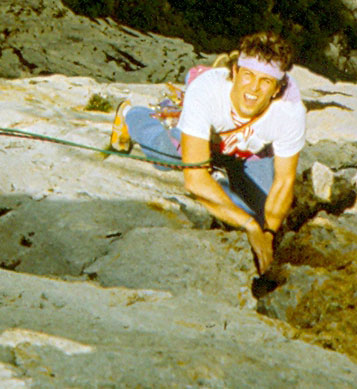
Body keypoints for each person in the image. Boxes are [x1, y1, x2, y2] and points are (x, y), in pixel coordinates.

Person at [109, 31, 306, 274]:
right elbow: (196, 180)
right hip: (205, 141)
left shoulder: (290, 110)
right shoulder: (207, 90)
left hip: (247, 151)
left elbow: (284, 181)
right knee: (164, 155)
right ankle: (133, 116)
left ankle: (230, 179)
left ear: (277, 89)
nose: (254, 88)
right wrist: (249, 225)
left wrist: (268, 232)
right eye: (248, 75)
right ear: (234, 73)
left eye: (265, 81)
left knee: (268, 214)